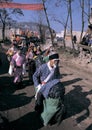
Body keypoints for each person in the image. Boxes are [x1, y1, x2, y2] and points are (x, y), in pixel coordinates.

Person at [33, 53, 65, 126]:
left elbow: (57, 76)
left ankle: (51, 117)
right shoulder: (43, 67)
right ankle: (38, 111)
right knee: (39, 100)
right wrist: (37, 85)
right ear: (50, 60)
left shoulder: (56, 67)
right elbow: (34, 76)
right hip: (42, 87)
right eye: (55, 61)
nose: (56, 62)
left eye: (57, 61)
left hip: (52, 87)